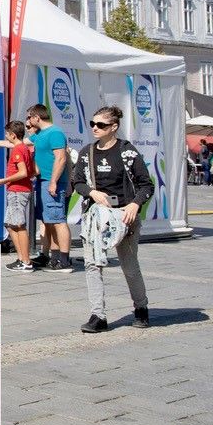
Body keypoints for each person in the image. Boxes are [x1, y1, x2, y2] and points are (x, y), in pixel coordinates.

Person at [71, 106, 154, 333]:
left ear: (114, 127)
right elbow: (76, 182)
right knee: (92, 264)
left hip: (124, 216)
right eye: (93, 124)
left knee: (129, 265)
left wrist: (135, 204)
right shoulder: (87, 153)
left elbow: (146, 184)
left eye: (101, 125)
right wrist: (91, 192)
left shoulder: (127, 152)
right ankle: (98, 316)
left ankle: (141, 308)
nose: (95, 128)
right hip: (96, 216)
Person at [25, 105, 72, 272]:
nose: (28, 122)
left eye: (29, 118)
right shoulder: (39, 135)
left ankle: (65, 260)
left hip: (53, 182)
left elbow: (61, 159)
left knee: (59, 221)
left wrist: (53, 182)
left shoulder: (55, 133)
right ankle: (55, 257)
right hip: (42, 181)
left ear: (37, 117)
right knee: (49, 221)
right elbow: (20, 143)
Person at [0, 121, 36, 271]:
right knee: (10, 225)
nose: (5, 136)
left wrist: (2, 181)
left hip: (18, 191)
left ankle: (26, 261)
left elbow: (23, 173)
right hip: (16, 190)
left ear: (12, 135)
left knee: (19, 225)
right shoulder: (24, 148)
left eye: (7, 134)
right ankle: (21, 258)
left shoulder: (18, 150)